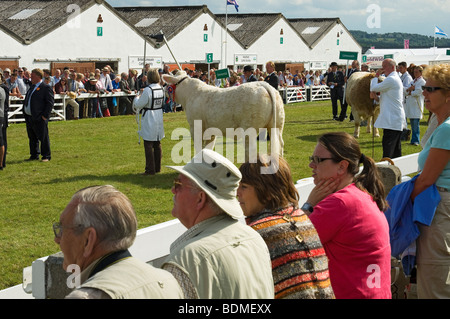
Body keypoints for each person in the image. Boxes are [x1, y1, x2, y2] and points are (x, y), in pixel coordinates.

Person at [162, 149, 274, 299]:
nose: (172, 190)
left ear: (200, 199)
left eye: (178, 184)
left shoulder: (185, 262)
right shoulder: (253, 238)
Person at [54, 185, 184, 299]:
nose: (57, 239)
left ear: (88, 240)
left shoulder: (87, 296)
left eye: (62, 229)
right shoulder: (168, 282)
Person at [303, 132, 391, 299]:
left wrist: (308, 205)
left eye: (318, 160)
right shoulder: (360, 194)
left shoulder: (340, 204)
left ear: (342, 167)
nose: (311, 165)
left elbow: (290, 243)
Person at [237, 155, 335, 299]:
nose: (237, 193)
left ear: (268, 192)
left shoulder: (255, 233)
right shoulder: (301, 218)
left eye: (243, 187)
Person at [410, 64, 450, 298]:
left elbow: (426, 179)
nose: (423, 93)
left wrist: (401, 202)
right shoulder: (441, 125)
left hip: (439, 207)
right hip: (438, 205)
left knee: (434, 282)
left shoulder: (446, 129)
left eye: (430, 89)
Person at [370, 58, 406, 159]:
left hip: (392, 119)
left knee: (388, 148)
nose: (382, 69)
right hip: (393, 118)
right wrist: (378, 98)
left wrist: (376, 75)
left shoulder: (391, 79)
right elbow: (390, 97)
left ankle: (388, 170)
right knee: (395, 149)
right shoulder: (392, 79)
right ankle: (396, 169)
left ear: (392, 67)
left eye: (385, 66)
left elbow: (373, 88)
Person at [133, 68, 165, 176]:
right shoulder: (161, 88)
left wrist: (137, 97)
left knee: (148, 143)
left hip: (149, 116)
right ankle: (157, 167)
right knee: (157, 142)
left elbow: (138, 104)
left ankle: (150, 169)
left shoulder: (148, 90)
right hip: (158, 115)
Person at [22, 68, 54, 162]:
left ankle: (46, 156)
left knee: (43, 137)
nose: (30, 77)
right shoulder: (32, 87)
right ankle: (34, 154)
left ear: (38, 76)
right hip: (29, 117)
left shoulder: (45, 87)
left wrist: (45, 116)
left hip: (40, 117)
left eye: (32, 75)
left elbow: (50, 103)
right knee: (32, 137)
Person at [405, 66, 426, 146]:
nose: (415, 73)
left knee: (415, 124)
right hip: (411, 105)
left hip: (417, 105)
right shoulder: (414, 81)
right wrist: (410, 90)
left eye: (417, 72)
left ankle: (416, 140)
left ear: (421, 72)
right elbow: (407, 90)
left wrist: (411, 91)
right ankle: (413, 140)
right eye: (414, 72)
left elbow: (418, 92)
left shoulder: (422, 82)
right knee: (412, 123)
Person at [0, 73, 9, 169]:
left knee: (2, 140)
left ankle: (2, 162)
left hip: (2, 116)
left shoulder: (3, 88)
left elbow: (5, 105)